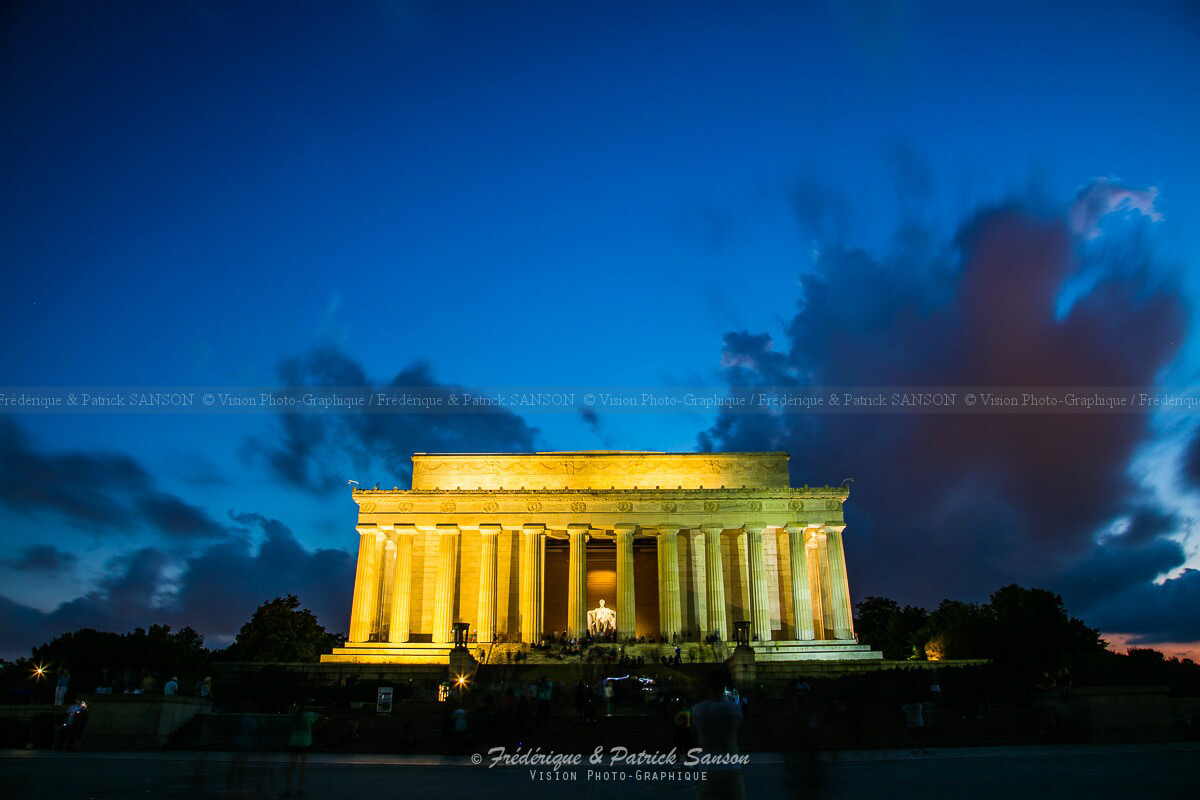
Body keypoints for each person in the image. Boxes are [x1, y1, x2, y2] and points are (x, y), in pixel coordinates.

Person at [690, 671, 744, 800]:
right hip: (731, 766)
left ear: (707, 687)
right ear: (723, 686)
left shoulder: (698, 709)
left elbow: (694, 736)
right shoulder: (734, 708)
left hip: (708, 767)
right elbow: (740, 733)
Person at [285, 700, 319, 797]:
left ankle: (288, 788)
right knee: (303, 767)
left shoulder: (294, 716)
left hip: (294, 741)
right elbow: (317, 715)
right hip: (305, 742)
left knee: (291, 766)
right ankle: (301, 789)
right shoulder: (309, 715)